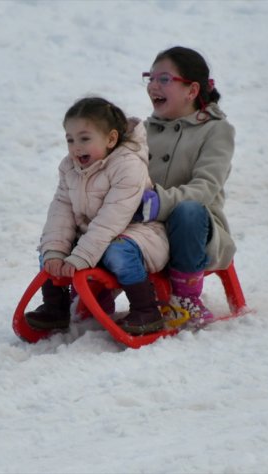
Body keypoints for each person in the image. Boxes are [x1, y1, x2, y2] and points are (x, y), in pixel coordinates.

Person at [25, 97, 170, 335]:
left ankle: (146, 310)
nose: (76, 147)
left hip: (136, 234)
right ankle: (55, 308)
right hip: (93, 238)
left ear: (111, 139)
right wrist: (55, 252)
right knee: (50, 252)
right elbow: (61, 209)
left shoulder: (128, 165)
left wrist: (81, 255)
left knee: (118, 251)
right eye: (70, 140)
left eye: (84, 138)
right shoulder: (69, 167)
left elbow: (112, 218)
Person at [135, 46, 236, 329]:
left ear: (191, 91)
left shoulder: (216, 130)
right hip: (147, 226)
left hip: (196, 230)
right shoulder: (141, 131)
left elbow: (206, 187)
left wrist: (158, 202)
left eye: (164, 79)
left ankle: (186, 298)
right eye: (150, 78)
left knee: (188, 211)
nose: (153, 86)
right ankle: (96, 294)